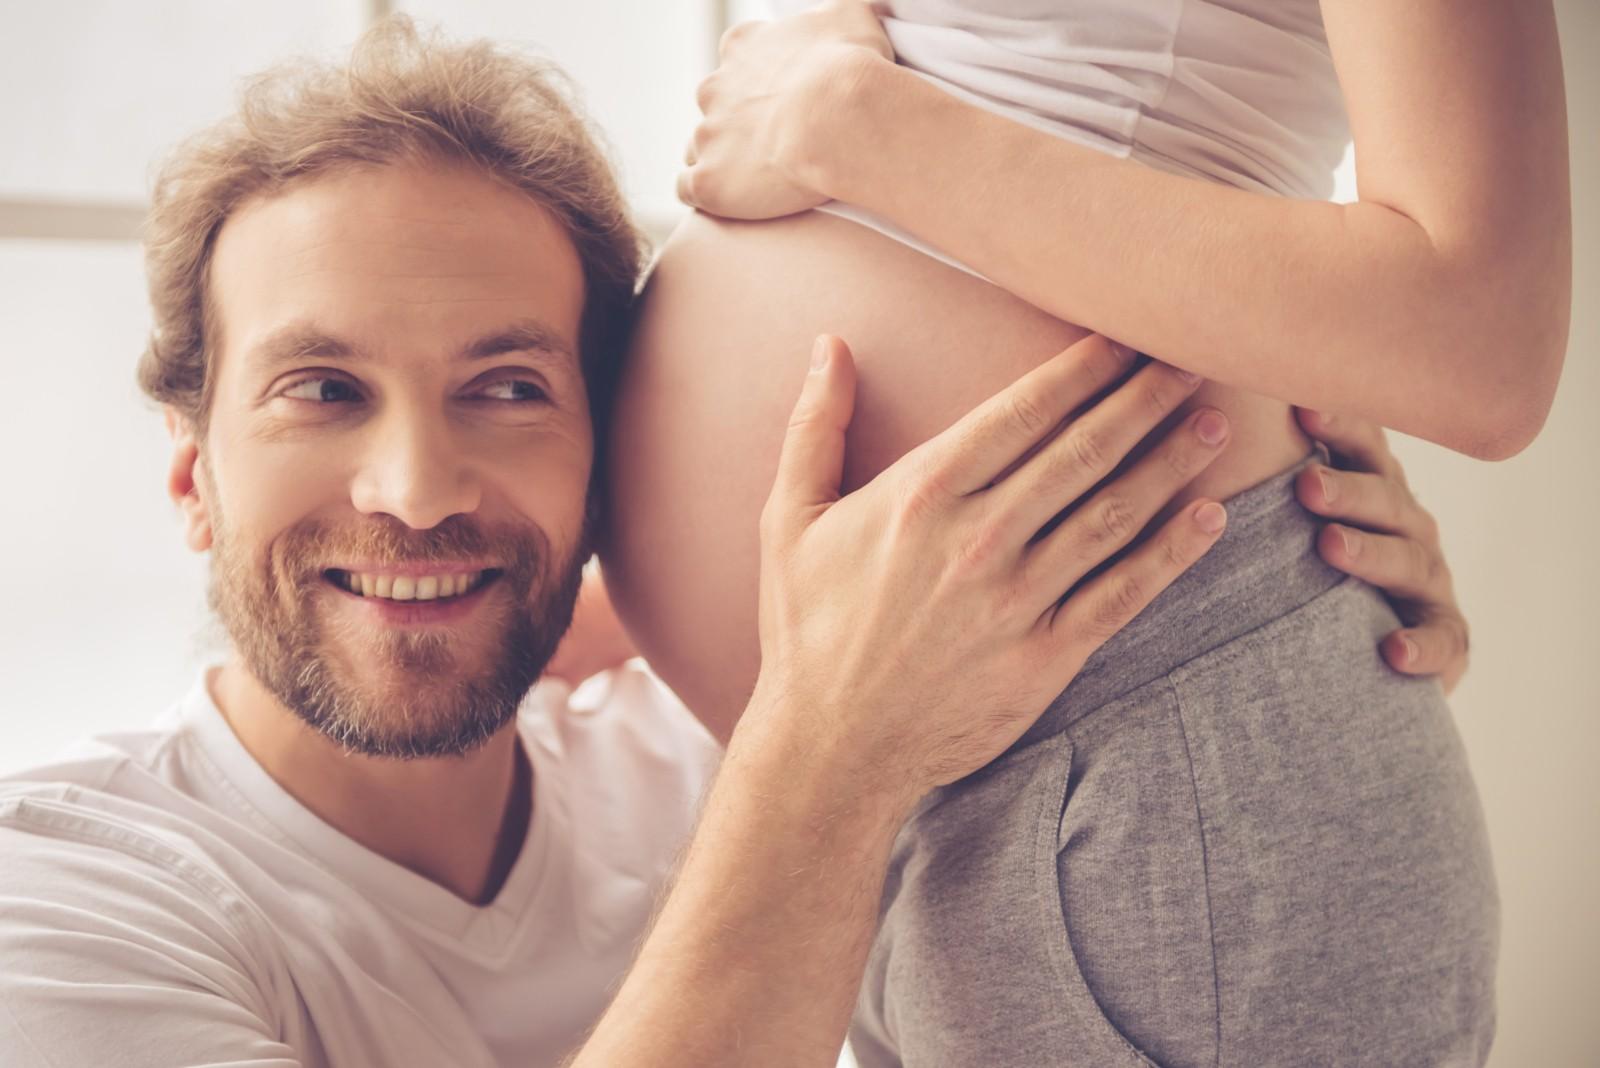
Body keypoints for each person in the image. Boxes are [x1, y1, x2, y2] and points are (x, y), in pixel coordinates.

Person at [0, 19, 1474, 1068]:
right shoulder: (63, 908)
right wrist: (829, 754)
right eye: (323, 391)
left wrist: (1295, 558)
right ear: (191, 477)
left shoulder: (692, 746)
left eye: (508, 389)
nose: (417, 485)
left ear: (610, 460)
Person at [603, 1, 1564, 1063]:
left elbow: (1481, 338)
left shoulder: (845, 118)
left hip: (1163, 755)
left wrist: (852, 125)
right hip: (861, 792)